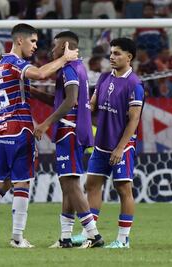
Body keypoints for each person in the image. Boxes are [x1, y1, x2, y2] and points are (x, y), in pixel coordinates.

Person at [0, 23, 78, 248]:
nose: (35, 46)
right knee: (23, 183)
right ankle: (18, 238)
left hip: (1, 130)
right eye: (33, 41)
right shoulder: (16, 63)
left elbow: (24, 89)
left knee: (2, 181)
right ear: (19, 40)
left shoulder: (0, 65)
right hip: (20, 129)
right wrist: (65, 59)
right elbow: (39, 73)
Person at [32, 31, 104, 249]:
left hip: (70, 130)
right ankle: (65, 238)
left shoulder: (69, 68)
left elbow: (71, 100)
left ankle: (93, 235)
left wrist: (45, 123)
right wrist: (32, 91)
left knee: (71, 184)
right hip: (71, 129)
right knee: (67, 184)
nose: (51, 50)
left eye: (55, 46)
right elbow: (59, 100)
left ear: (64, 46)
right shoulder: (75, 67)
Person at [83, 37, 145, 249]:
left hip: (122, 146)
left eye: (117, 53)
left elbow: (134, 120)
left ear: (129, 57)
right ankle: (88, 234)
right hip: (101, 144)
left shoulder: (134, 84)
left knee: (123, 188)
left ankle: (123, 239)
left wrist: (120, 147)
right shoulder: (103, 78)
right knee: (91, 185)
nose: (112, 56)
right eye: (111, 52)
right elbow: (92, 106)